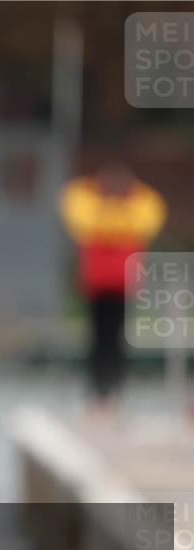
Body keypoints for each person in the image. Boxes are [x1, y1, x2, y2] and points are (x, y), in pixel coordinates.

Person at [60, 161, 166, 412]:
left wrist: (128, 193)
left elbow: (150, 213)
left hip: (122, 285)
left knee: (115, 338)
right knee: (98, 338)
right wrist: (101, 193)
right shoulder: (89, 205)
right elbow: (77, 212)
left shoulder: (136, 208)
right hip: (97, 286)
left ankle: (113, 391)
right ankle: (98, 393)